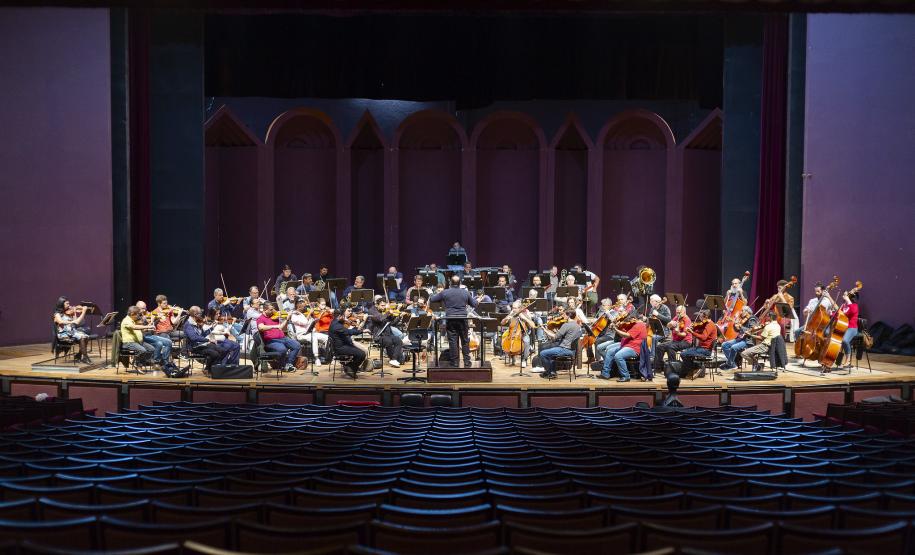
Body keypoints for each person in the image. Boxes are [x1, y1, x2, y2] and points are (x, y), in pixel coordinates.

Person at [429, 275, 478, 368]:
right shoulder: (465, 292)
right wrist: (477, 300)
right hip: (463, 319)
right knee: (464, 341)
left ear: (450, 283)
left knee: (452, 341)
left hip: (450, 319)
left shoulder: (445, 292)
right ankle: (467, 362)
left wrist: (431, 293)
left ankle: (454, 362)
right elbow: (474, 304)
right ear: (460, 283)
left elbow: (432, 299)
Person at [183, 306, 240, 371]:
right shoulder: (188, 324)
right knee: (215, 353)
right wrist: (209, 340)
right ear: (195, 314)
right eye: (200, 314)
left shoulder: (196, 323)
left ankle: (221, 368)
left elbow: (202, 335)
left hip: (202, 345)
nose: (201, 315)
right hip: (195, 347)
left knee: (224, 350)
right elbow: (194, 338)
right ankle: (209, 369)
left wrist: (212, 327)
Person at [536, 309, 582, 379]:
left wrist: (544, 329)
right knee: (551, 353)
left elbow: (555, 337)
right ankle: (552, 371)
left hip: (564, 349)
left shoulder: (566, 325)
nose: (563, 316)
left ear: (568, 316)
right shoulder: (578, 326)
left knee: (543, 353)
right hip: (572, 351)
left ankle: (549, 372)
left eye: (564, 315)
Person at [600, 318, 647, 382]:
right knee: (610, 351)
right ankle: (605, 373)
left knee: (618, 356)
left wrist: (616, 329)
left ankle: (626, 376)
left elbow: (626, 335)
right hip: (627, 345)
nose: (629, 321)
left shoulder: (639, 325)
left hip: (634, 348)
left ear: (634, 318)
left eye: (630, 318)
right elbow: (625, 330)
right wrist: (618, 326)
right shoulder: (633, 325)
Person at [257, 302, 299, 372]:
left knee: (296, 345)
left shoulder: (274, 316)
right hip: (271, 341)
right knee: (282, 349)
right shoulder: (261, 318)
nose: (273, 311)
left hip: (283, 338)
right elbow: (261, 327)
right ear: (264, 310)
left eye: (273, 309)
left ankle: (288, 364)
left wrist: (286, 318)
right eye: (271, 310)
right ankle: (283, 365)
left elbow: (281, 327)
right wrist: (274, 326)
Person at [328, 308, 367, 378]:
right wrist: (362, 331)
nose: (344, 318)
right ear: (340, 316)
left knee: (359, 352)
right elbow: (349, 332)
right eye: (343, 316)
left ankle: (350, 368)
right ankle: (349, 367)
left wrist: (356, 327)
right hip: (340, 348)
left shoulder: (335, 323)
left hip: (342, 345)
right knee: (362, 354)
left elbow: (347, 331)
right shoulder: (337, 326)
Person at [653, 305, 693, 372]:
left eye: (679, 312)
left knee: (670, 347)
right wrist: (670, 324)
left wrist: (678, 333)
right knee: (659, 347)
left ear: (684, 312)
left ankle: (672, 368)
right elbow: (668, 325)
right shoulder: (677, 317)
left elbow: (684, 334)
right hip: (675, 341)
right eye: (676, 312)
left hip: (685, 342)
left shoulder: (687, 320)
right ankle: (658, 368)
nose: (677, 314)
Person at [289, 299, 328, 366]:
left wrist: (314, 320)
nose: (306, 308)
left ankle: (327, 356)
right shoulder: (294, 315)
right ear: (299, 307)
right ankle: (316, 358)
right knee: (314, 338)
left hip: (310, 333)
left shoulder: (305, 314)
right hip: (302, 335)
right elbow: (304, 322)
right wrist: (310, 313)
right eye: (304, 307)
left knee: (327, 337)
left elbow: (310, 323)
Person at [53, 297, 93, 364]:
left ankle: (79, 355)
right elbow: (60, 322)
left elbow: (77, 323)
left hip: (72, 332)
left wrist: (74, 313)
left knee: (85, 337)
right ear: (61, 304)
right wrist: (83, 312)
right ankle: (85, 357)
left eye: (69, 303)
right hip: (64, 334)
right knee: (82, 337)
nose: (69, 305)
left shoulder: (69, 312)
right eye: (67, 304)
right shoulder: (57, 314)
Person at [680, 310, 718, 378]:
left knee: (684, 354)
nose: (700, 319)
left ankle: (695, 369)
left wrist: (692, 332)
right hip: (701, 348)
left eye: (701, 317)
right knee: (685, 353)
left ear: (706, 317)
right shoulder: (706, 324)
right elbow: (699, 330)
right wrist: (693, 328)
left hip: (706, 350)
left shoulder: (710, 325)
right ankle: (695, 368)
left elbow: (703, 337)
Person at [366, 299, 404, 368]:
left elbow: (392, 323)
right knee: (388, 341)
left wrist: (398, 316)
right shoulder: (372, 311)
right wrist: (388, 313)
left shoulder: (384, 312)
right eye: (382, 306)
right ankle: (393, 358)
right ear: (377, 305)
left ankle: (394, 359)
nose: (384, 307)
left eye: (384, 305)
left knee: (398, 341)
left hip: (388, 334)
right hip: (379, 336)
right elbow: (380, 319)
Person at [135, 301, 173, 368]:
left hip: (150, 335)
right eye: (142, 308)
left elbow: (150, 325)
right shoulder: (135, 317)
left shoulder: (145, 315)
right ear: (137, 308)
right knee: (159, 343)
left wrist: (156, 320)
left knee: (169, 342)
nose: (144, 310)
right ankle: (156, 362)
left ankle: (165, 362)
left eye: (145, 308)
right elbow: (140, 331)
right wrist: (150, 324)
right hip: (143, 337)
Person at [501, 300, 536, 367]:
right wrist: (506, 319)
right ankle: (512, 357)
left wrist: (524, 318)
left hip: (522, 334)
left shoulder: (524, 315)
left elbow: (533, 326)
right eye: (512, 308)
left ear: (520, 308)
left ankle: (524, 360)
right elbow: (502, 323)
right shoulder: (511, 314)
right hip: (512, 334)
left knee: (526, 341)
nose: (513, 309)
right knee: (505, 340)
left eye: (515, 308)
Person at [119, 306, 156, 372]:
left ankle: (138, 362)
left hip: (137, 342)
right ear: (132, 314)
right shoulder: (126, 321)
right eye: (137, 314)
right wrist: (148, 326)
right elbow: (134, 327)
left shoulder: (133, 320)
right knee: (142, 350)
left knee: (151, 349)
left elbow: (140, 330)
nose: (138, 316)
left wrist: (149, 328)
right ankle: (138, 364)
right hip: (129, 343)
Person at [720, 306, 757, 371]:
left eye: (742, 311)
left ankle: (729, 364)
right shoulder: (743, 319)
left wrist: (741, 326)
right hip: (740, 338)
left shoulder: (752, 319)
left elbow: (752, 331)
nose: (741, 312)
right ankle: (732, 365)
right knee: (724, 345)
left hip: (748, 340)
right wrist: (735, 325)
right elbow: (738, 331)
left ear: (747, 312)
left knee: (733, 347)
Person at [835, 291, 860, 368]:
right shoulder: (844, 306)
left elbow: (852, 311)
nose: (843, 295)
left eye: (845, 294)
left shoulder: (854, 305)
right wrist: (831, 314)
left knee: (845, 340)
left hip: (852, 328)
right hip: (843, 327)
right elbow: (839, 314)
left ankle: (848, 360)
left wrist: (848, 301)